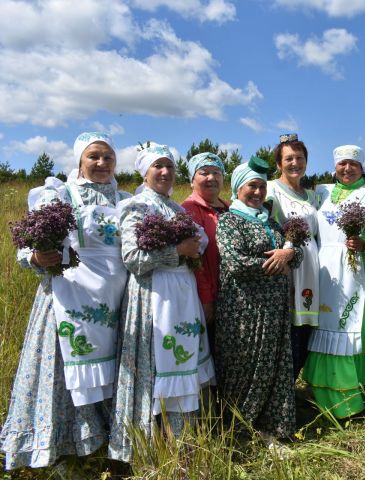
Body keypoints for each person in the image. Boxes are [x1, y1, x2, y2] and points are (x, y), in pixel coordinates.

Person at [1, 132, 130, 470]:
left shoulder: (125, 199)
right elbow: (30, 245)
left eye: (108, 158)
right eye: (94, 157)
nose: (102, 163)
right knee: (63, 375)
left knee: (109, 373)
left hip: (114, 302)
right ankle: (61, 453)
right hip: (67, 301)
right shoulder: (60, 195)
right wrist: (37, 257)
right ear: (80, 161)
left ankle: (100, 444)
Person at [109, 144, 214, 463]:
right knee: (156, 370)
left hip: (182, 295)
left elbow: (194, 247)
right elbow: (132, 259)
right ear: (145, 172)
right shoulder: (135, 206)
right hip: (154, 297)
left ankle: (182, 443)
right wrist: (177, 251)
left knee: (182, 366)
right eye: (158, 166)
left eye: (169, 166)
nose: (165, 172)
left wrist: (192, 252)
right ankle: (150, 447)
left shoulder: (177, 209)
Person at [214, 156, 303, 443]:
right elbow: (235, 262)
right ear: (238, 188)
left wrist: (288, 253)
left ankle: (271, 429)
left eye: (262, 187)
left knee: (274, 369)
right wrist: (278, 261)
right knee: (243, 368)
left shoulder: (273, 222)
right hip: (243, 310)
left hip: (274, 309)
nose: (257, 193)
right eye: (252, 186)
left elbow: (296, 254)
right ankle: (238, 431)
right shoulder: (229, 221)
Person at [303, 145, 365, 418]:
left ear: (362, 167)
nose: (347, 169)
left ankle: (362, 391)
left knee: (360, 325)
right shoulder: (321, 192)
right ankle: (327, 393)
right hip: (325, 268)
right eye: (342, 163)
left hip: (362, 268)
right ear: (335, 166)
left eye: (353, 164)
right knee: (327, 323)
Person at [266, 133, 320, 378]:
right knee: (286, 331)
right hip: (287, 268)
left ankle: (295, 381)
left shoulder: (312, 195)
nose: (294, 163)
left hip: (311, 266)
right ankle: (282, 387)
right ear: (279, 164)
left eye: (299, 157)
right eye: (288, 159)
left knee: (306, 330)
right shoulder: (269, 190)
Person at [181, 152, 229, 353]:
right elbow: (194, 260)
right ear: (192, 180)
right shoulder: (188, 209)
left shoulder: (230, 208)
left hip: (231, 295)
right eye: (204, 173)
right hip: (207, 296)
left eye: (216, 173)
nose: (211, 178)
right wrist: (207, 299)